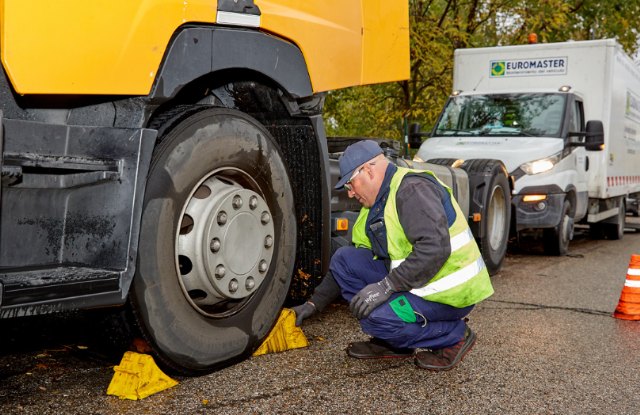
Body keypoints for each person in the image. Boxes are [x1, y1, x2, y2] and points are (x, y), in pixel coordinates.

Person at [293, 140, 494, 371]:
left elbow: (435, 249)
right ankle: (395, 344)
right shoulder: (375, 205)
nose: (350, 192)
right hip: (418, 283)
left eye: (350, 183)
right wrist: (312, 304)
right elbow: (346, 265)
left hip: (449, 294)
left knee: (377, 318)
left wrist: (386, 286)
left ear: (368, 170)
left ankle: (453, 336)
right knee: (344, 258)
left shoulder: (411, 190)